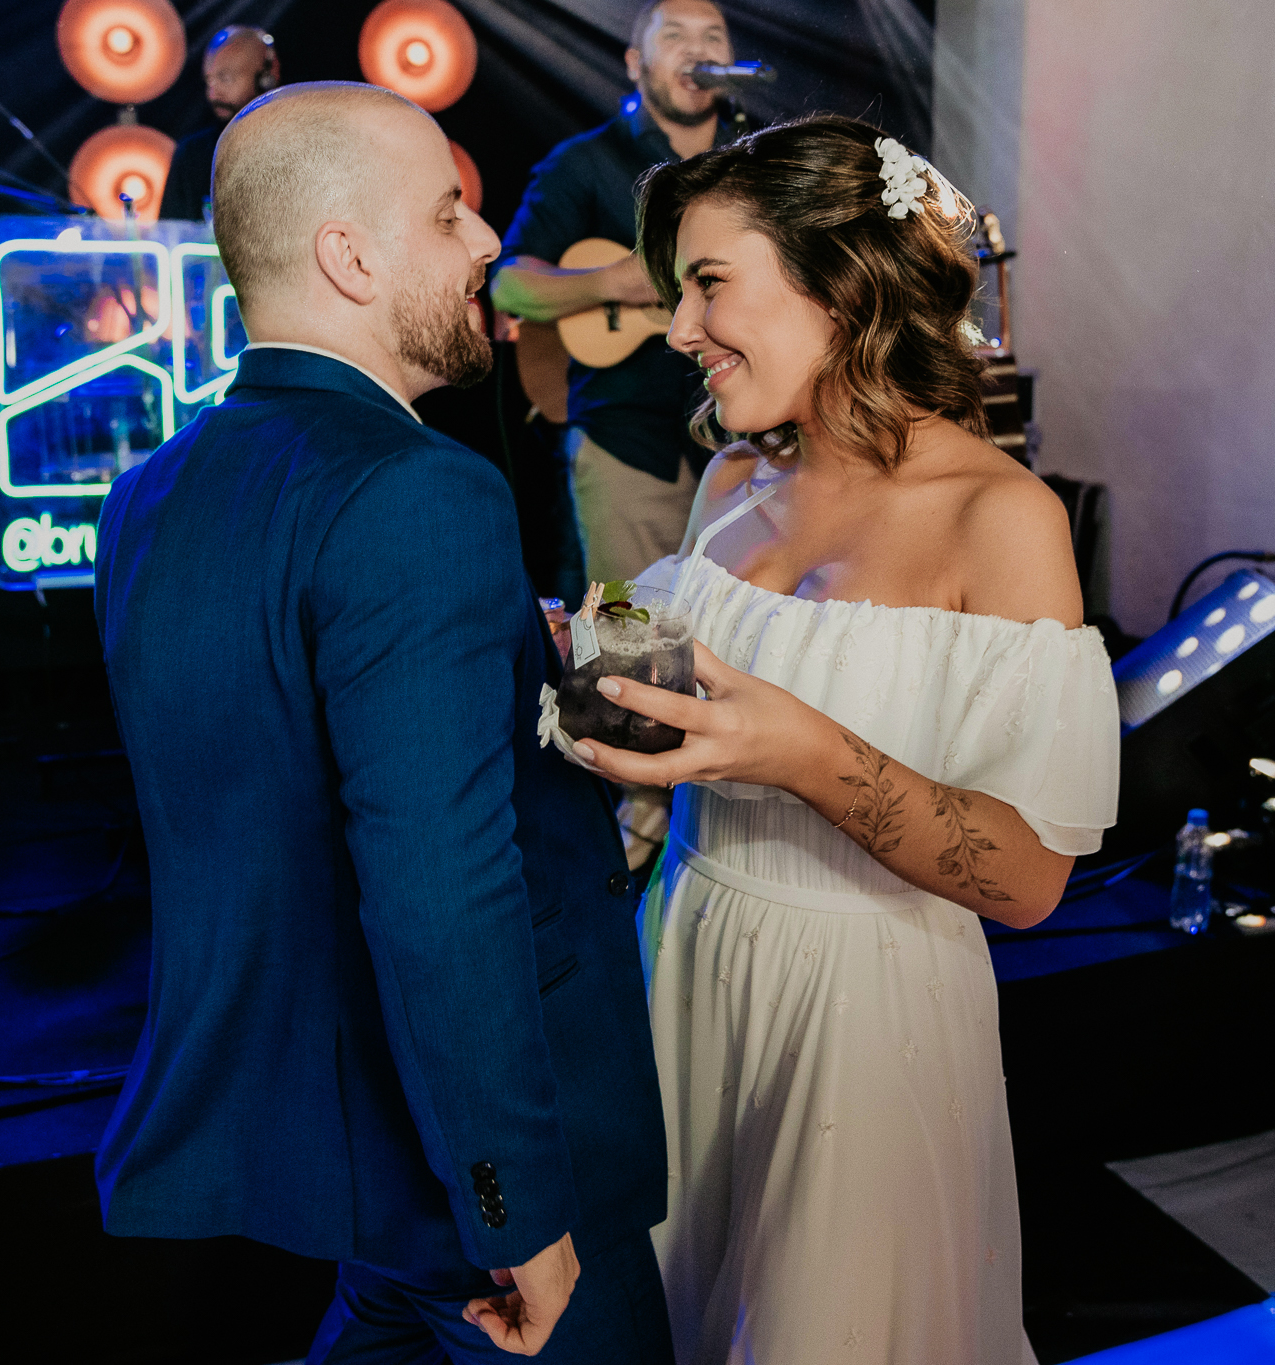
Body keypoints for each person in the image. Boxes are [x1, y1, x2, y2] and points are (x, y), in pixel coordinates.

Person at [93, 83, 672, 1364]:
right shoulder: (418, 492)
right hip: (486, 1168)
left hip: (337, 1155)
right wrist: (514, 1202)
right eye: (450, 212)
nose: (486, 245)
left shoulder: (150, 495)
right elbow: (438, 882)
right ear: (348, 258)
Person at [567, 116, 1121, 1362]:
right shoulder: (731, 481)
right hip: (690, 952)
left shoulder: (999, 518)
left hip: (859, 1014)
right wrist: (582, 634)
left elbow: (1028, 881)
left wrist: (800, 753)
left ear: (840, 285)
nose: (677, 329)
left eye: (708, 284)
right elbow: (669, 664)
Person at [491, 0, 742, 871]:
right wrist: (618, 281)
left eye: (714, 37)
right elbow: (510, 285)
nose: (698, 50)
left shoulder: (752, 163)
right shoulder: (586, 163)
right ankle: (637, 827)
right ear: (635, 63)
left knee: (735, 630)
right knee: (634, 635)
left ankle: (727, 804)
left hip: (747, 444)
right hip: (628, 439)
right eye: (675, 35)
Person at [160, 25, 279, 223]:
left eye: (225, 78)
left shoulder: (295, 148)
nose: (213, 93)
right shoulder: (191, 154)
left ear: (266, 79)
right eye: (209, 81)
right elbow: (172, 230)